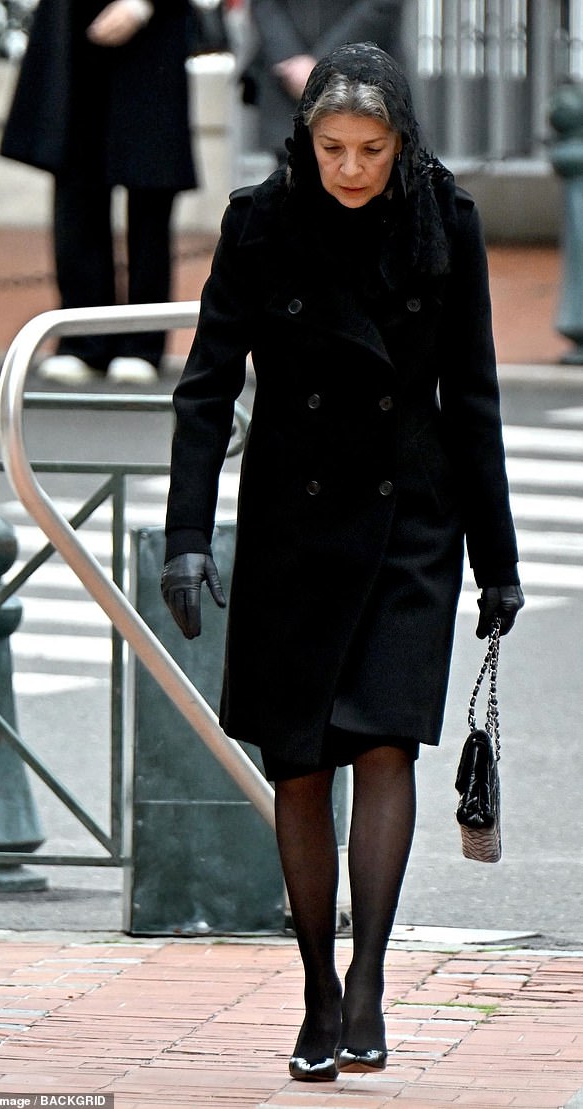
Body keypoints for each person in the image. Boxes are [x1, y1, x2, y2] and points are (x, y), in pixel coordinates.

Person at [160, 43, 524, 1082]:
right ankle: (316, 983)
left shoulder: (443, 221)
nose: (351, 167)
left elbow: (477, 399)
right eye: (331, 147)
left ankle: (365, 982)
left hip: (410, 518)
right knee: (300, 760)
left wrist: (494, 560)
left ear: (401, 142)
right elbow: (205, 388)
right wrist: (188, 536)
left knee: (384, 745)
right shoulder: (260, 222)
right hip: (292, 521)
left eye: (370, 148)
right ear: (304, 140)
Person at [0, 0, 197, 385]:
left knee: (150, 189)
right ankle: (82, 340)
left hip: (151, 35)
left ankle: (143, 343)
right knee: (76, 188)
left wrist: (143, 5)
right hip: (73, 31)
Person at [243, 0, 405, 164]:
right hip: (289, 92)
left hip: (365, 80)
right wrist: (291, 60)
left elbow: (382, 5)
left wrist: (323, 62)